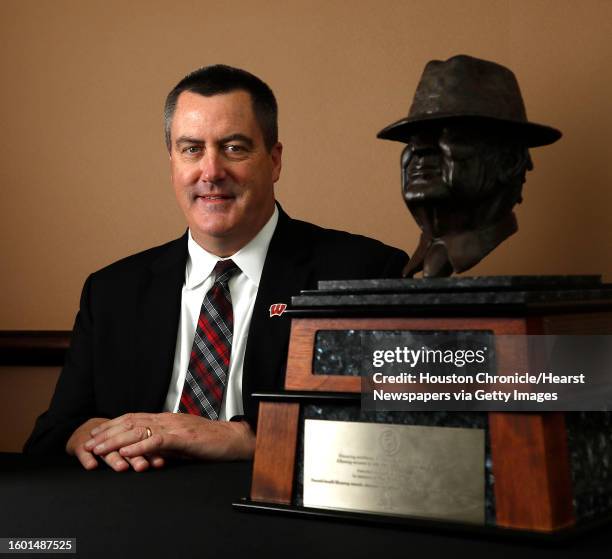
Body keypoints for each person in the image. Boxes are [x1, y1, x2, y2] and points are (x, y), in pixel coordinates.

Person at [24, 64, 408, 471]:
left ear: (274, 161)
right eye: (192, 149)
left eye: (234, 147)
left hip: (277, 517)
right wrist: (86, 435)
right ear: (172, 163)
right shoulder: (111, 291)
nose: (211, 172)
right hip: (133, 511)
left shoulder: (363, 273)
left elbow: (393, 436)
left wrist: (247, 437)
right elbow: (51, 433)